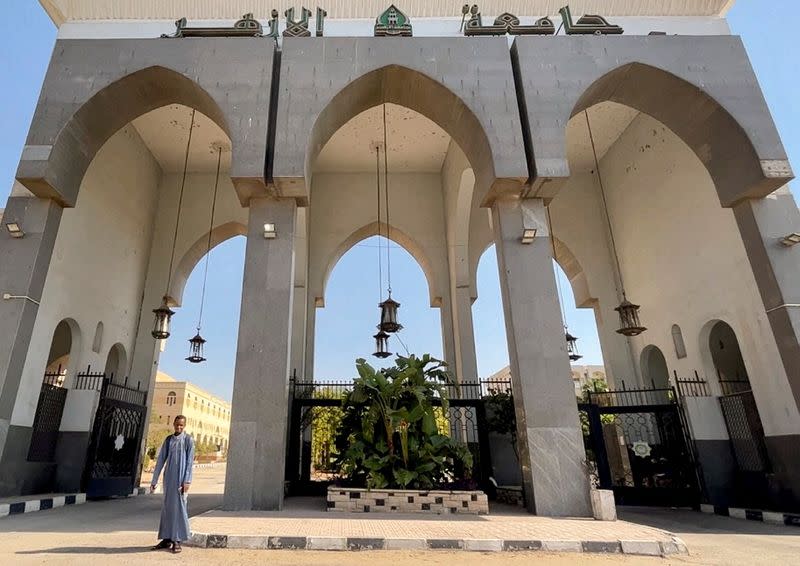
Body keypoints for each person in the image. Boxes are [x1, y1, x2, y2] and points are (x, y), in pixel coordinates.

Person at [150, 415, 194, 553]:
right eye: (177, 425)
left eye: (181, 425)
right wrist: (154, 480)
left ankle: (177, 539)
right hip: (169, 479)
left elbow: (189, 463)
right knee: (168, 508)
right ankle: (166, 538)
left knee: (179, 509)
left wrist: (187, 480)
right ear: (174, 424)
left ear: (184, 426)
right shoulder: (169, 440)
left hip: (181, 480)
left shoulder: (188, 440)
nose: (179, 427)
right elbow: (161, 460)